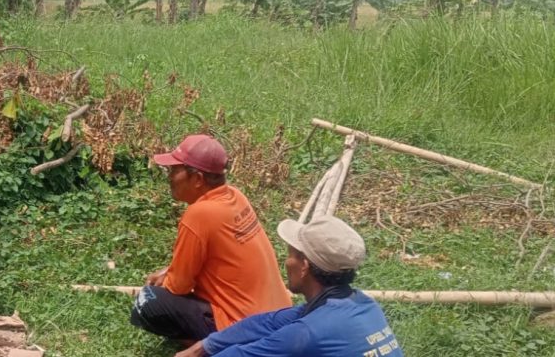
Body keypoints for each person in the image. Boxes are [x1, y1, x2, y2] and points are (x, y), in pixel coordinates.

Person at [132, 135, 291, 344]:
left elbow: (178, 287)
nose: (169, 176)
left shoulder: (199, 215)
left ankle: (218, 347)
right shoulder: (235, 196)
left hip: (244, 326)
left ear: (197, 179)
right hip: (279, 317)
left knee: (147, 302)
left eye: (174, 170)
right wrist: (169, 272)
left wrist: (167, 279)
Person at [176, 217, 403, 357]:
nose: (287, 262)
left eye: (291, 255)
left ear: (304, 266)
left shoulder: (307, 333)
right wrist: (203, 346)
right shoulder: (362, 303)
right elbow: (265, 323)